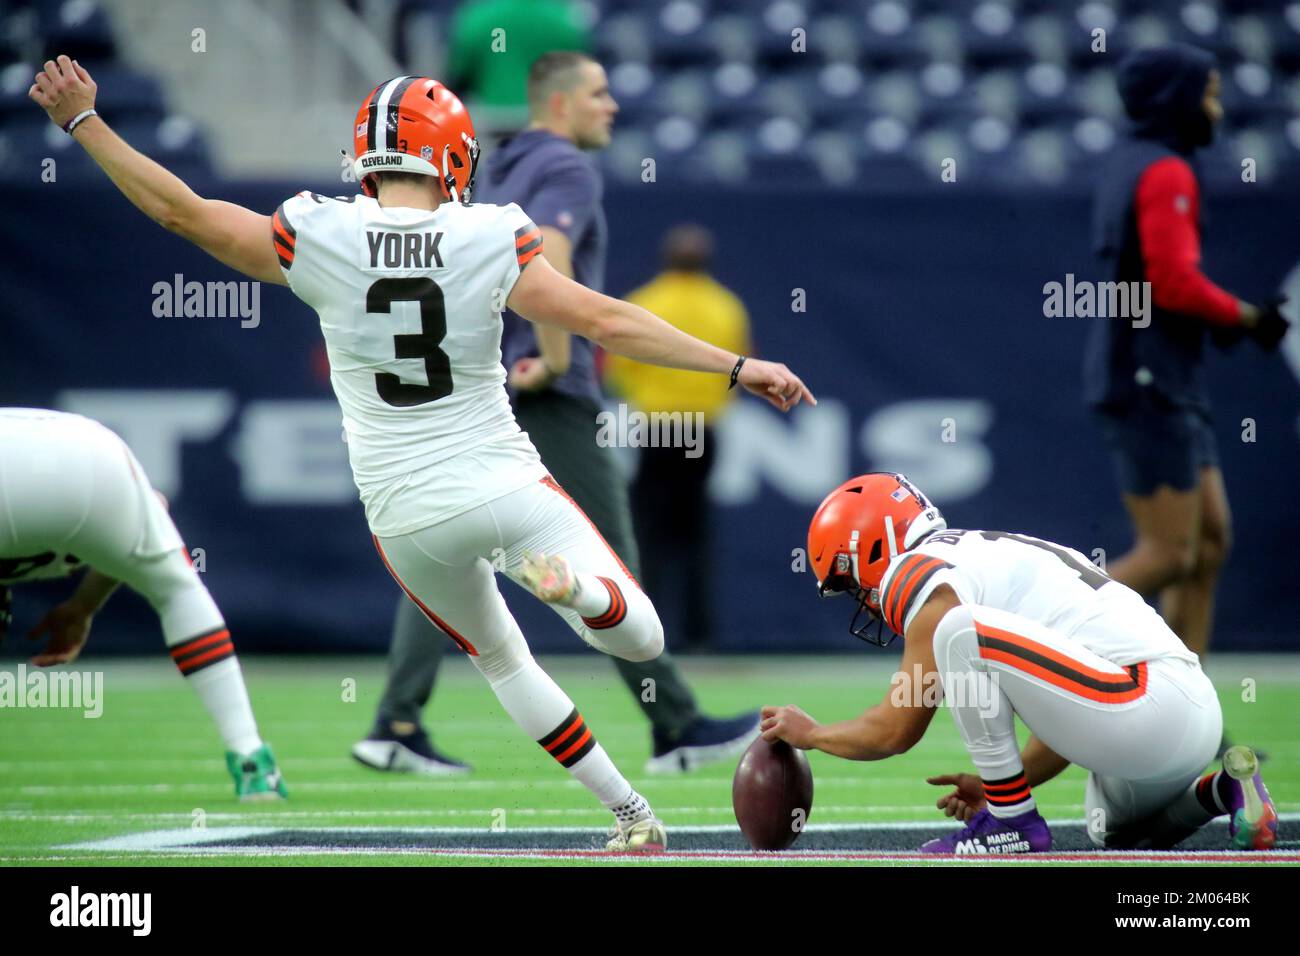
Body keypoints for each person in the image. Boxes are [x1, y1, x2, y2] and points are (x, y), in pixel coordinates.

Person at [28, 56, 814, 849]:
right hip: (501, 477)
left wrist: (85, 122)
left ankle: (631, 815)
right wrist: (739, 367)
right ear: (450, 154)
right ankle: (578, 592)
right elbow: (604, 322)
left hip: (405, 514)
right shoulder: (487, 232)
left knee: (504, 663)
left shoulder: (318, 231)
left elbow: (183, 213)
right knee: (640, 635)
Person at [354, 53, 762, 778]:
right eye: (600, 94)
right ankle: (676, 724)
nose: (611, 107)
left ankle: (396, 718)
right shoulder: (567, 168)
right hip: (542, 390)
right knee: (609, 556)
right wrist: (550, 354)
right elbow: (555, 254)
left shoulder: (500, 164)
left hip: (474, 382)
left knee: (445, 553)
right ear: (563, 103)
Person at [760, 472, 1276, 854]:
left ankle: (1012, 824)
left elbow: (895, 731)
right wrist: (996, 782)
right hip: (1173, 713)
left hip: (1144, 699)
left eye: (852, 583)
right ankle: (1227, 788)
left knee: (958, 632)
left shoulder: (917, 572)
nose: (865, 601)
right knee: (1114, 832)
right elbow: (1068, 720)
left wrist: (813, 733)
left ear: (872, 546)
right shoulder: (978, 555)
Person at [1085, 44, 1289, 758]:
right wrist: (1248, 317)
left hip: (1159, 374)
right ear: (1176, 99)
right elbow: (1173, 282)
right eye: (1206, 93)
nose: (1217, 107)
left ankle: (1189, 733)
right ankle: (1029, 639)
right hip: (1149, 380)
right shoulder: (1165, 168)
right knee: (1169, 553)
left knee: (1209, 544)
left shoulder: (1128, 160)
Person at [0, 407, 287, 801]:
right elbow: (157, 505)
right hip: (91, 454)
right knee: (177, 588)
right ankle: (251, 757)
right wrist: (84, 606)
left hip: (71, 453)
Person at [606, 225, 751, 650]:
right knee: (695, 531)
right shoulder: (726, 306)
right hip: (702, 429)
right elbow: (738, 368)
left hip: (659, 427)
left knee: (648, 529)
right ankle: (699, 633)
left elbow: (617, 371)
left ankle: (645, 628)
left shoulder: (647, 302)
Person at [448, 0, 590, 134]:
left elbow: (461, 75)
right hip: (548, 117)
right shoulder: (565, 19)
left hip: (493, 119)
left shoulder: (478, 18)